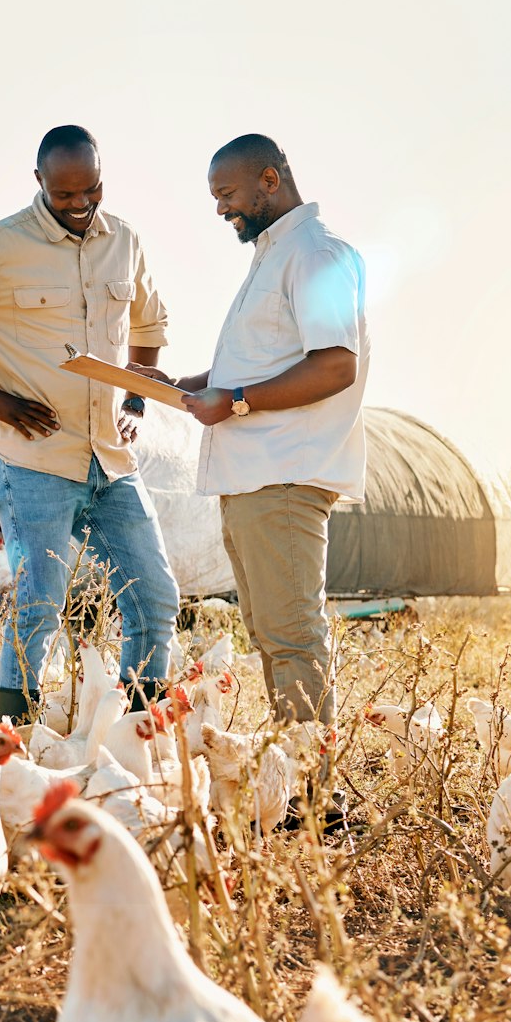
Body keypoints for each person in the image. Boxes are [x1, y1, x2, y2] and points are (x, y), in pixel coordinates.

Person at [0, 125, 182, 727]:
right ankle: (14, 747)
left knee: (156, 600)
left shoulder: (124, 241)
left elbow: (150, 326)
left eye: (93, 191)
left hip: (110, 460)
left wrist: (137, 401)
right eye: (65, 195)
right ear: (39, 183)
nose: (81, 206)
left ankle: (137, 741)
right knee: (39, 605)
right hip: (33, 463)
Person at [132, 134, 368, 726]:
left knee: (291, 636)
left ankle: (318, 806)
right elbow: (265, 360)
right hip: (254, 478)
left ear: (270, 180)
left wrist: (235, 400)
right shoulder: (276, 254)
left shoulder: (314, 254)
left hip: (283, 475)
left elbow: (336, 365)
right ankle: (294, 783)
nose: (219, 209)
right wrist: (184, 384)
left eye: (227, 193)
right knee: (272, 634)